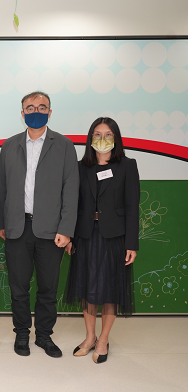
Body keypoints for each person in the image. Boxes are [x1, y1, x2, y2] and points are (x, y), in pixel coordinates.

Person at [0, 91, 79, 358]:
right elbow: (3, 188)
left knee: (47, 288)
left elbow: (71, 190)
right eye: (30, 108)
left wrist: (66, 229)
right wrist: (2, 223)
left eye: (42, 107)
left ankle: (44, 335)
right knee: (19, 288)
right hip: (17, 228)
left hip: (51, 231)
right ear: (22, 114)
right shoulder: (10, 145)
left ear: (50, 112)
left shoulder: (64, 145)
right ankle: (22, 333)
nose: (36, 111)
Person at [65, 117, 139, 364]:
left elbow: (132, 207)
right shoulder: (80, 167)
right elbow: (73, 205)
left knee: (109, 291)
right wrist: (70, 237)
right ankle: (89, 337)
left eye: (108, 134)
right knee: (87, 288)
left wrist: (131, 243)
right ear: (90, 138)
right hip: (86, 235)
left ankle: (104, 339)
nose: (102, 139)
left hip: (113, 237)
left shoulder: (127, 165)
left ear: (116, 138)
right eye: (97, 134)